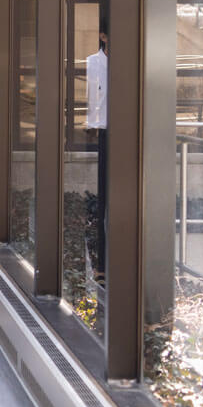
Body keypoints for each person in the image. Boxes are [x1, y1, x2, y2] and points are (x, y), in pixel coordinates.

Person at [84, 27, 108, 278]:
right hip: (103, 132)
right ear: (103, 36)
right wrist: (90, 123)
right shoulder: (93, 62)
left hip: (126, 133)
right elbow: (92, 97)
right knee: (103, 198)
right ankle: (101, 265)